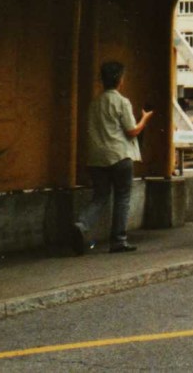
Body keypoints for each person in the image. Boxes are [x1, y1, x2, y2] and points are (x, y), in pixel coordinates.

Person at [72, 60, 153, 255]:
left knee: (100, 196)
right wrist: (145, 119)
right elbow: (132, 131)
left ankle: (82, 224)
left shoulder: (95, 103)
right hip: (119, 156)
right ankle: (118, 240)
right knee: (122, 197)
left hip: (97, 158)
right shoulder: (121, 102)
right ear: (120, 80)